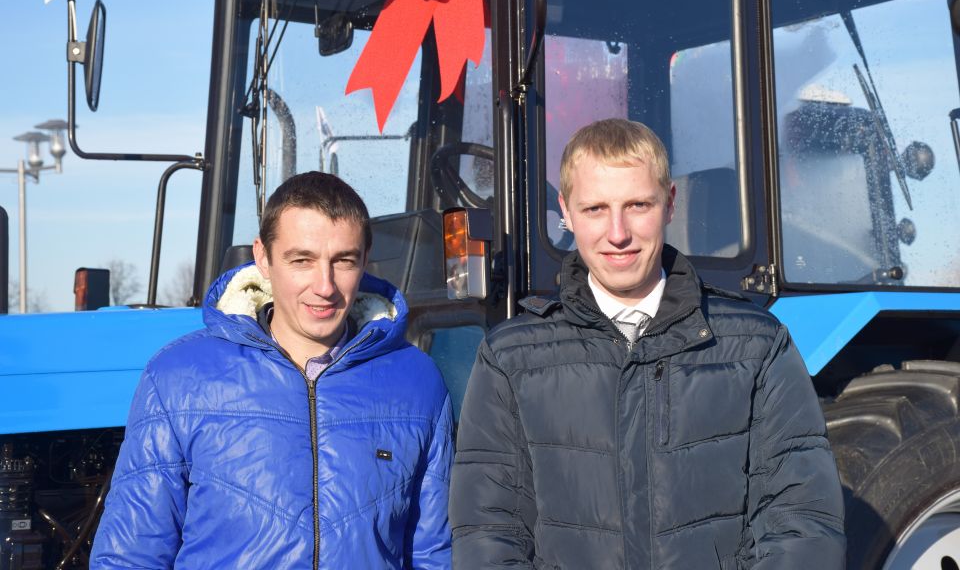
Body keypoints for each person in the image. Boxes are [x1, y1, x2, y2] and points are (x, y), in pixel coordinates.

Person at [449, 119, 845, 569]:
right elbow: (489, 533)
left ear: (669, 203)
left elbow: (801, 522)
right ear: (566, 212)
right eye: (595, 209)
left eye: (638, 205)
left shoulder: (756, 346)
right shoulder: (510, 359)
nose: (618, 233)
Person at [91, 172, 453, 569]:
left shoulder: (417, 382)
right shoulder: (178, 377)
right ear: (263, 257)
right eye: (301, 260)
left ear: (366, 259)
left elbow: (434, 553)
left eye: (343, 261)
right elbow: (131, 555)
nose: (325, 286)